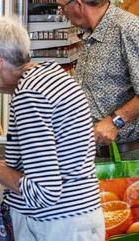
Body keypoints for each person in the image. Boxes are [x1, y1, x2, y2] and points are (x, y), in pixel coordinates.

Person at [0, 17, 104, 241]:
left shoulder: (31, 96)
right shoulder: (50, 77)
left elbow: (42, 191)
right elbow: (43, 168)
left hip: (53, 227)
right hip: (74, 221)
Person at [57, 0, 139, 158]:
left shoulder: (128, 28)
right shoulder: (91, 33)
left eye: (62, 7)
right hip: (94, 154)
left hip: (126, 158)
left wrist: (116, 121)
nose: (62, 13)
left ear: (79, 5)